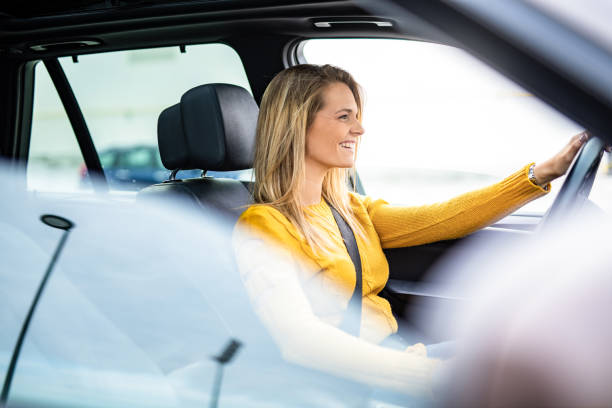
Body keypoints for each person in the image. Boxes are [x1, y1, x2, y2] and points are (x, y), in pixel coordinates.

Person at [232, 64, 589, 397]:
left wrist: (541, 174)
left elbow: (448, 216)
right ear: (298, 125)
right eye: (344, 117)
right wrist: (430, 374)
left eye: (358, 117)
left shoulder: (351, 209)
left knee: (543, 353)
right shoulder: (263, 226)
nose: (359, 129)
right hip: (351, 381)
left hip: (400, 357)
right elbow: (301, 340)